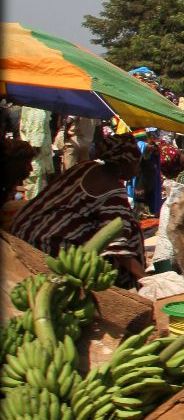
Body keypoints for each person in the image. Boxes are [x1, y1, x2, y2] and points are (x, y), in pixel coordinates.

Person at [11, 134, 147, 289]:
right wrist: (143, 277)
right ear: (123, 163)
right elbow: (116, 245)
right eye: (136, 164)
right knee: (125, 241)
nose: (138, 169)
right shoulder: (112, 189)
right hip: (48, 243)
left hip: (23, 226)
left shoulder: (83, 166)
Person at [18, 106, 53, 199]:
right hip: (36, 156)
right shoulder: (38, 109)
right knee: (34, 185)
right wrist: (34, 151)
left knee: (34, 184)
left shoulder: (31, 107)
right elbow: (36, 138)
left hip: (36, 154)